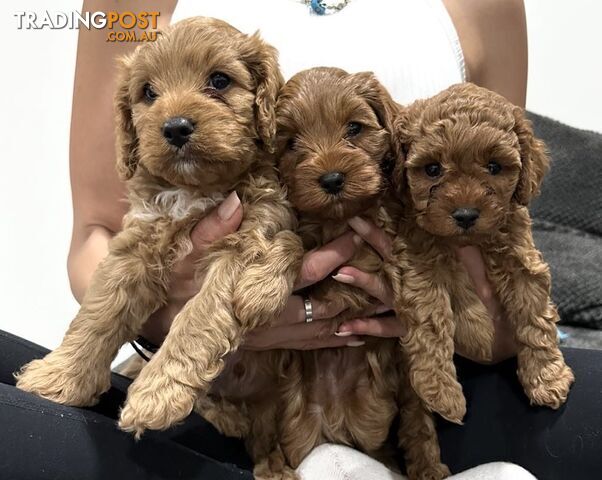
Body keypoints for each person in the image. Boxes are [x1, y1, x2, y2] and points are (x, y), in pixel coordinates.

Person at [0, 0, 599, 479]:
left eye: (217, 82)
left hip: (428, 369)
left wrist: (485, 331)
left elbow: (495, 188)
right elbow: (95, 231)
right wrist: (172, 317)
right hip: (220, 381)